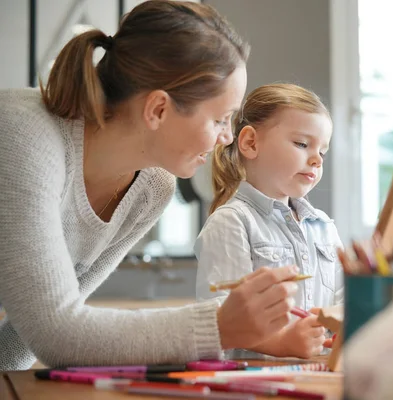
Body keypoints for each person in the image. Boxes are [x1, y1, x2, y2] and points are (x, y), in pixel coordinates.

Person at [0, 1, 299, 371]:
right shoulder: (23, 135)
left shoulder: (152, 188)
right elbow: (58, 334)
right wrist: (220, 328)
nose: (226, 137)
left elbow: (24, 338)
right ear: (157, 109)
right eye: (221, 118)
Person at [195, 84, 344, 359]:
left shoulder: (324, 227)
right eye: (302, 144)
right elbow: (220, 318)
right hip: (254, 383)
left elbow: (342, 305)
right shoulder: (232, 222)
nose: (316, 160)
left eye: (322, 152)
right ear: (251, 142)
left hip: (316, 378)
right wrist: (280, 342)